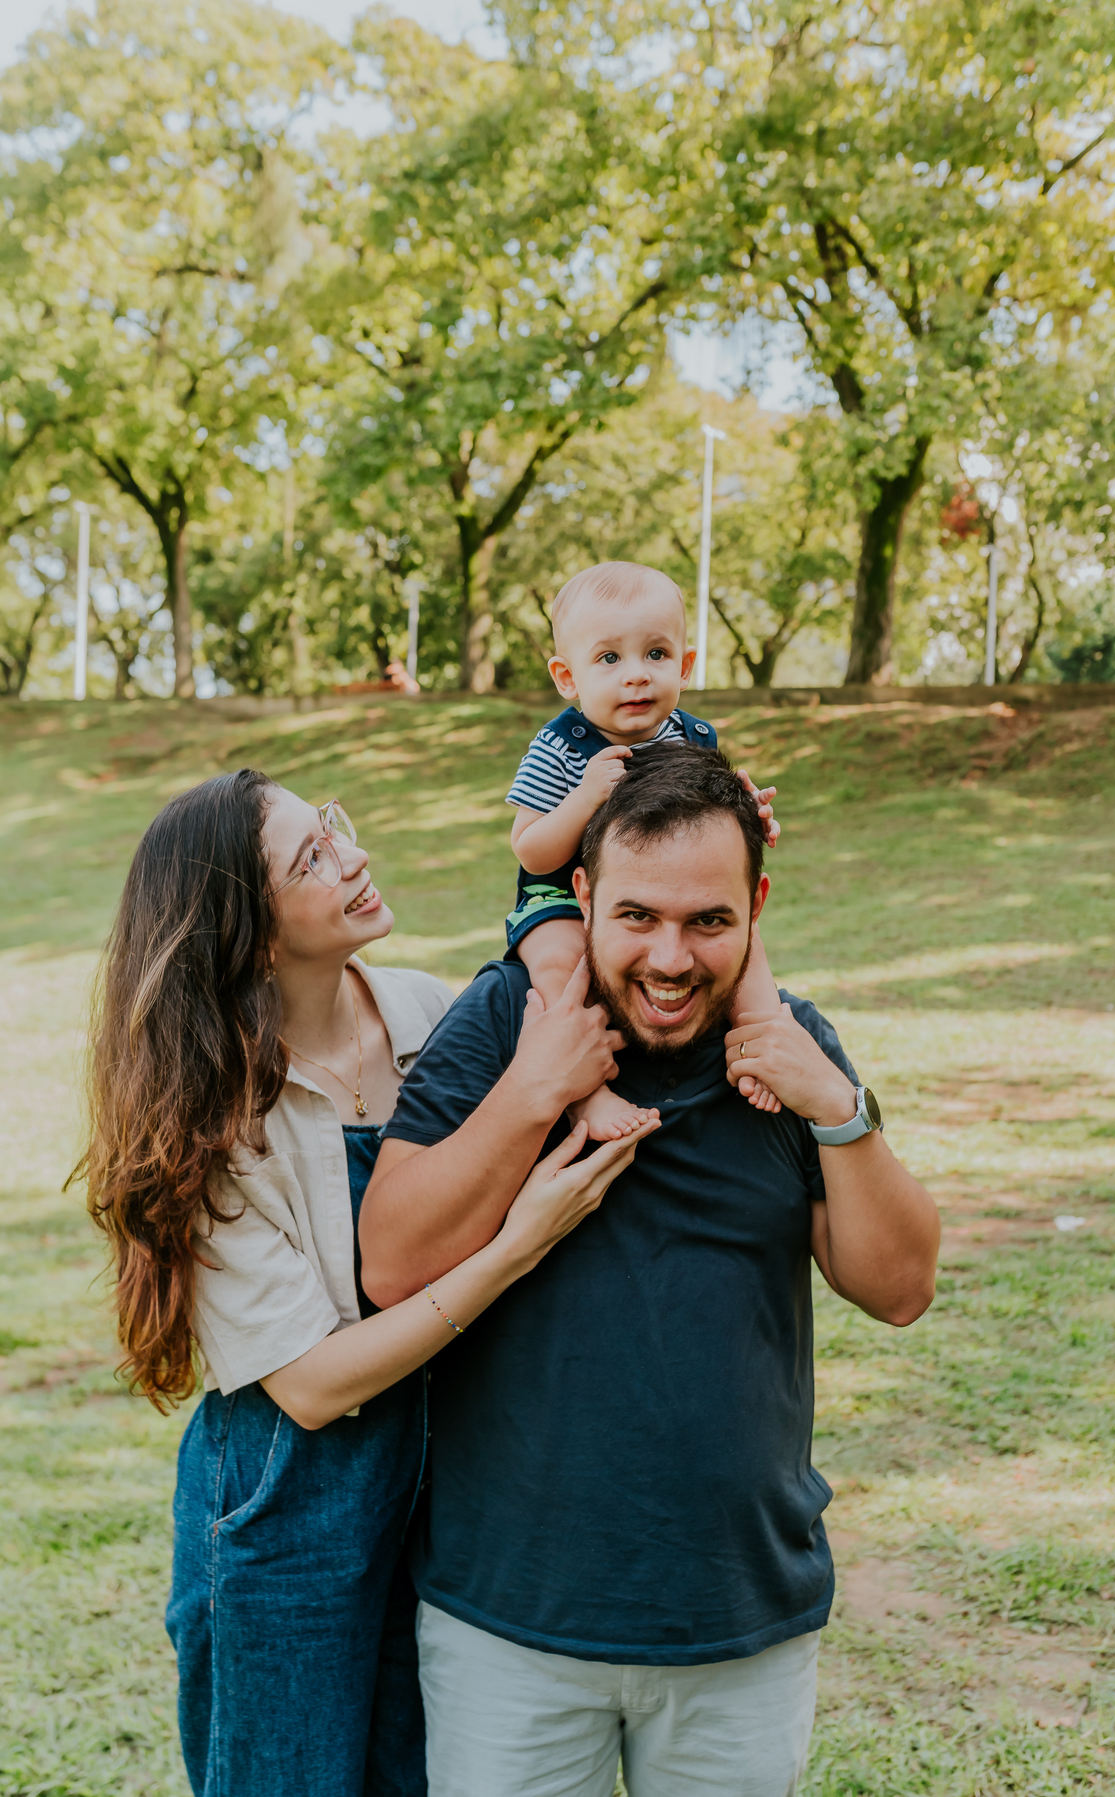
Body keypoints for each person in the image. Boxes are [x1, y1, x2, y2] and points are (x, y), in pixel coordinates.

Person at [360, 742, 941, 1797]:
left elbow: (898, 1289)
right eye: (637, 916)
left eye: (709, 921)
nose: (670, 959)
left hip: (738, 1622)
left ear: (757, 905)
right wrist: (536, 1090)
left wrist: (839, 1112)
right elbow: (393, 1263)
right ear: (580, 894)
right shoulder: (503, 1022)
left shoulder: (788, 1045)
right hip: (510, 1626)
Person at [78, 768, 655, 1797]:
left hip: (457, 1491)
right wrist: (511, 1247)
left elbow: (608, 963)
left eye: (333, 825)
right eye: (312, 857)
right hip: (287, 1507)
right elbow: (311, 1385)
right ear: (250, 934)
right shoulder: (209, 1117)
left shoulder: (437, 1017)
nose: (355, 856)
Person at [505, 559, 784, 1140]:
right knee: (559, 967)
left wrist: (752, 816)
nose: (635, 675)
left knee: (745, 943)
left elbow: (713, 815)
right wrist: (584, 799)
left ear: (684, 666)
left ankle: (765, 1041)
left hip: (666, 898)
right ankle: (583, 1090)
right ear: (567, 677)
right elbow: (531, 850)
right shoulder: (559, 747)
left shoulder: (692, 736)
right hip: (557, 896)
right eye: (609, 659)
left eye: (655, 655)